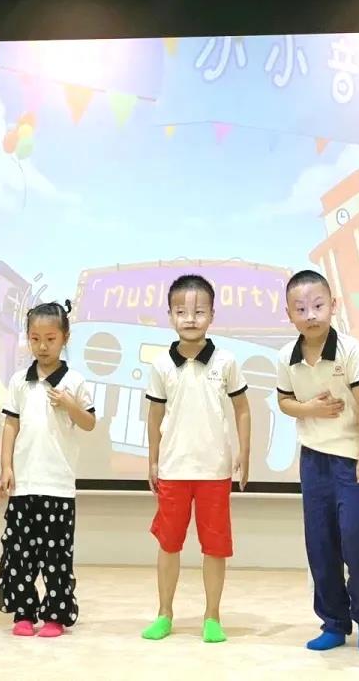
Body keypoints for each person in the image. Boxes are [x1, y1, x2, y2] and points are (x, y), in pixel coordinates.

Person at [275, 270, 359, 653]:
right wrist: (310, 409)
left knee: (357, 540)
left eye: (318, 305)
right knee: (320, 545)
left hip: (351, 461)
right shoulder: (285, 357)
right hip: (313, 462)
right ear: (289, 314)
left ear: (333, 305)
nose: (311, 315)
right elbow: (284, 401)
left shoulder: (351, 350)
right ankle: (334, 623)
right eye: (301, 308)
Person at [141, 274, 251, 644]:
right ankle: (164, 613)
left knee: (215, 547)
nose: (190, 318)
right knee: (168, 544)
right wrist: (153, 460)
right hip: (173, 470)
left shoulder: (226, 361)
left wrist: (244, 452)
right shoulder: (161, 364)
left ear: (212, 315)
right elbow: (154, 416)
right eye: (181, 311)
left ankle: (212, 617)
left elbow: (242, 409)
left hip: (214, 471)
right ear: (170, 316)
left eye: (199, 311)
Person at [0, 300, 95, 638]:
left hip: (58, 485)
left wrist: (70, 404)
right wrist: (6, 467)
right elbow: (10, 425)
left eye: (50, 339)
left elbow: (89, 422)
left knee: (56, 556)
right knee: (20, 553)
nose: (42, 346)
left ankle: (55, 615)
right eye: (35, 339)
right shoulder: (19, 381)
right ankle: (23, 612)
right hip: (24, 483)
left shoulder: (74, 380)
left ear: (65, 338)